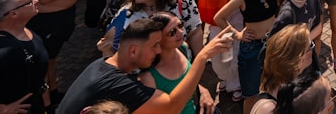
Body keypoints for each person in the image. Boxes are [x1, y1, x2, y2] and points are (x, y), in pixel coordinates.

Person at [57, 17, 233, 114]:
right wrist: (202, 57)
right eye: (154, 46)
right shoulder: (120, 85)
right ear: (133, 50)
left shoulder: (101, 64)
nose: (158, 51)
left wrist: (201, 90)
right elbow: (171, 106)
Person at [213, 0, 279, 113]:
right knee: (251, 94)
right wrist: (236, 34)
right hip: (252, 49)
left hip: (272, 44)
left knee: (272, 86)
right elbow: (218, 18)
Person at [103, 0, 203, 56]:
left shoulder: (183, 3)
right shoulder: (126, 12)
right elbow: (112, 45)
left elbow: (195, 33)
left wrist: (199, 64)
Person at [136, 12, 215, 114]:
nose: (180, 32)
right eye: (172, 32)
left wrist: (203, 91)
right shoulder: (148, 78)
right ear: (158, 39)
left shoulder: (183, 48)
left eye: (180, 25)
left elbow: (188, 80)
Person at [250, 24, 314, 114]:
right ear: (295, 60)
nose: (312, 51)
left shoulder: (287, 86)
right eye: (310, 46)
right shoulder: (267, 109)